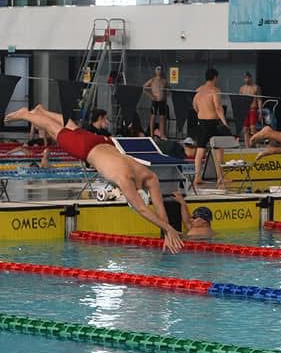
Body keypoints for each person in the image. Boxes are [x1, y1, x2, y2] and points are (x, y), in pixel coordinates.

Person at [6, 105, 183, 253]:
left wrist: (167, 231)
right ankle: (26, 114)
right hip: (86, 150)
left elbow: (160, 207)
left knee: (72, 127)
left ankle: (41, 110)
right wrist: (169, 229)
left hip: (100, 142)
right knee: (55, 130)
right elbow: (143, 210)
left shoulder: (148, 175)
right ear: (135, 194)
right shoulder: (125, 180)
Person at [192, 68, 232, 189]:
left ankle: (197, 177)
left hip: (201, 122)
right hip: (212, 123)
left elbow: (194, 106)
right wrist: (225, 123)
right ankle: (220, 177)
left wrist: (201, 113)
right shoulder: (215, 90)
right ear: (215, 77)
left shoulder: (198, 90)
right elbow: (218, 107)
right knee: (219, 149)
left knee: (200, 149)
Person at [143, 66, 169, 138]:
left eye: (160, 69)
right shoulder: (152, 80)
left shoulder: (164, 81)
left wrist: (165, 97)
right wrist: (151, 96)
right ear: (155, 71)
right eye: (158, 69)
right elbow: (144, 87)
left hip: (162, 101)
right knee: (153, 116)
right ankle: (151, 134)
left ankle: (162, 134)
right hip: (155, 101)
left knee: (162, 117)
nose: (159, 71)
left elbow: (168, 90)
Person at [239, 72, 261, 148]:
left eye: (248, 78)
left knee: (253, 128)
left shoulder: (256, 87)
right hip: (245, 110)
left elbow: (259, 100)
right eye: (245, 78)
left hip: (253, 109)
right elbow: (240, 100)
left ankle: (257, 143)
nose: (246, 79)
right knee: (245, 129)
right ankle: (247, 147)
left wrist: (260, 111)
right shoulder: (242, 88)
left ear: (251, 78)